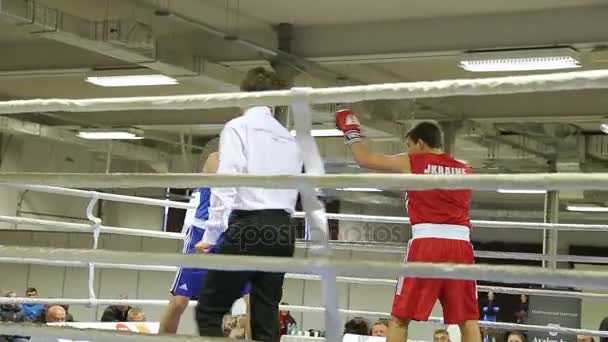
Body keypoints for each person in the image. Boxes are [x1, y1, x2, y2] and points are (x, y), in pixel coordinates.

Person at [335, 111, 480, 342]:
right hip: (461, 247)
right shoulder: (466, 169)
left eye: (409, 145)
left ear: (420, 143)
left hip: (427, 245)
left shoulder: (414, 160)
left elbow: (365, 159)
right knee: (467, 319)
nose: (407, 150)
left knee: (400, 318)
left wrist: (351, 132)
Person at [195, 67, 303, 342]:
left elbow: (226, 180)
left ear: (244, 95)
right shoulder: (289, 139)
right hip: (283, 229)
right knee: (265, 315)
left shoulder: (238, 127)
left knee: (209, 310)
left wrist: (212, 233)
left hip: (249, 225)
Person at [159, 152, 251, 334]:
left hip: (236, 235)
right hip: (203, 231)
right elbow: (221, 187)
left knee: (254, 301)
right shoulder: (216, 158)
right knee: (179, 302)